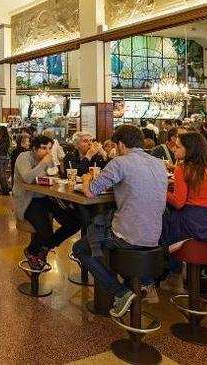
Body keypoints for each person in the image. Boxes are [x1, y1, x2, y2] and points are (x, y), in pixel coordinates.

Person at [72, 125, 168, 318]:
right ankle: (144, 281)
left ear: (121, 144)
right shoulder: (159, 163)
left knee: (81, 249)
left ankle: (120, 292)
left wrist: (86, 177)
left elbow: (91, 192)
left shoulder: (119, 163)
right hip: (155, 236)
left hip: (127, 236)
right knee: (102, 229)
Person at [161, 132, 207, 292]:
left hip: (194, 226)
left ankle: (172, 274)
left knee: (161, 220)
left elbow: (178, 202)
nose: (174, 149)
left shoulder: (182, 169)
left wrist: (160, 189)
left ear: (189, 150)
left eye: (178, 147)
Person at [12, 135, 82, 270]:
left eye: (49, 148)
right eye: (43, 148)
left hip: (47, 197)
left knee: (74, 221)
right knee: (46, 231)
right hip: (28, 200)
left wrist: (52, 167)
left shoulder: (47, 158)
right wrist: (43, 163)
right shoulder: (24, 157)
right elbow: (27, 178)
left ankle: (44, 248)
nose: (47, 152)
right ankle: (32, 251)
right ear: (34, 149)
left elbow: (54, 174)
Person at [0, 126, 12, 196]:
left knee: (1, 175)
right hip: (6, 158)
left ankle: (5, 191)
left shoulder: (1, 139)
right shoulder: (8, 138)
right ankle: (5, 190)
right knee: (3, 175)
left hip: (0, 158)